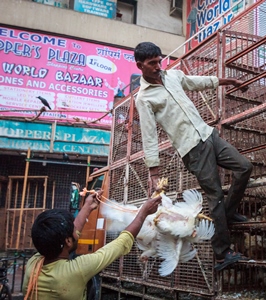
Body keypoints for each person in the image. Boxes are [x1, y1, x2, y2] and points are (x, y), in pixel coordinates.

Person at [133, 42, 253, 271]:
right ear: (140, 65)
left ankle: (227, 214)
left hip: (209, 136)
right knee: (215, 195)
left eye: (159, 61)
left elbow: (198, 82)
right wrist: (153, 172)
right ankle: (221, 253)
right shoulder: (144, 99)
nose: (158, 66)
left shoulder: (173, 76)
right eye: (152, 63)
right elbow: (149, 136)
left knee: (244, 167)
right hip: (192, 150)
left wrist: (229, 82)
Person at [22, 190, 162, 300]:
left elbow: (72, 232)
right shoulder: (76, 271)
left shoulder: (33, 263)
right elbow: (120, 243)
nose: (77, 232)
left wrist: (87, 207)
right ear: (68, 241)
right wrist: (143, 212)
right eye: (73, 232)